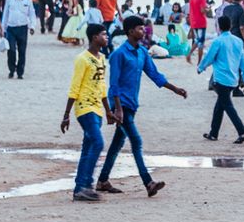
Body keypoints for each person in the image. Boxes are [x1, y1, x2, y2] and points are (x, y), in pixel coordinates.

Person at [98, 15, 188, 197]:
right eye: (140, 28)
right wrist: (118, 109)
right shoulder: (118, 54)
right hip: (121, 104)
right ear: (130, 32)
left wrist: (175, 89)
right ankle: (148, 182)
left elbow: (155, 75)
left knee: (117, 143)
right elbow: (113, 84)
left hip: (132, 104)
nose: (144, 31)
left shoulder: (142, 53)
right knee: (136, 141)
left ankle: (102, 180)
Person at [61, 23, 112, 201]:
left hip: (97, 108)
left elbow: (102, 86)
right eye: (103, 35)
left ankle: (78, 188)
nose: (106, 38)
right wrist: (66, 114)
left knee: (88, 147)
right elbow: (75, 87)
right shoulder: (82, 59)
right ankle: (87, 184)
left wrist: (108, 110)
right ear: (94, 37)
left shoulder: (102, 58)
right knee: (98, 144)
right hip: (84, 107)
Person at [196, 15, 244, 144]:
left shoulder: (218, 41)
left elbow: (209, 57)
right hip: (233, 79)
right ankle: (213, 133)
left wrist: (201, 67)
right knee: (220, 105)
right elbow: (243, 60)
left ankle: (242, 132)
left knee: (227, 106)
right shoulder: (238, 41)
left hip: (220, 79)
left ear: (219, 27)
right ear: (230, 26)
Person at [1, 0, 34, 79]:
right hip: (11, 28)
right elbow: (5, 14)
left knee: (22, 51)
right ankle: (11, 69)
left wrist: (32, 27)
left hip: (23, 28)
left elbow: (32, 14)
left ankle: (20, 72)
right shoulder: (10, 0)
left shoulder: (28, 0)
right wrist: (3, 28)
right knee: (11, 50)